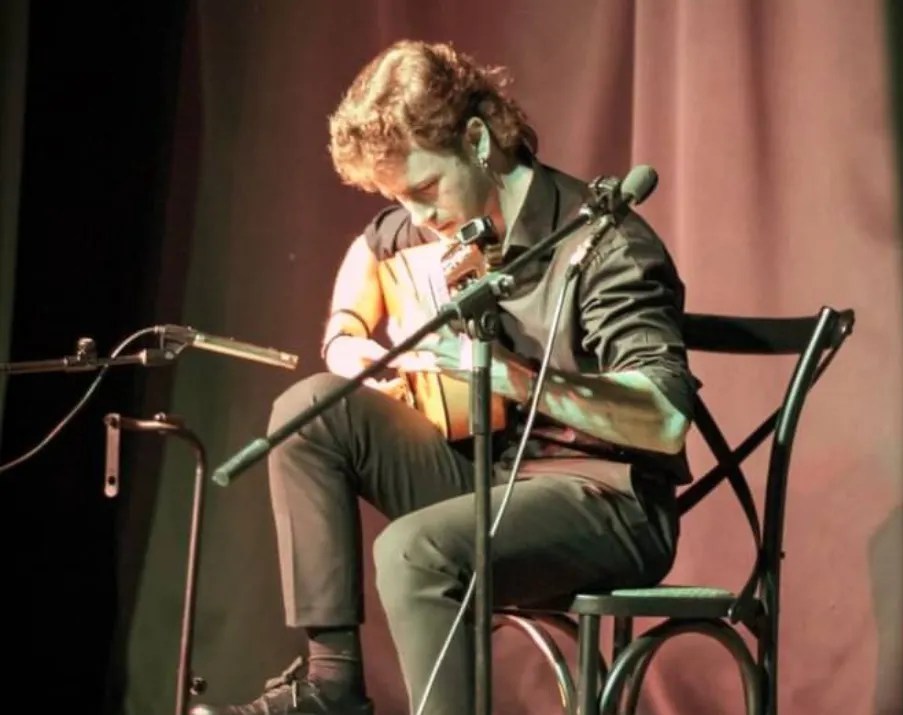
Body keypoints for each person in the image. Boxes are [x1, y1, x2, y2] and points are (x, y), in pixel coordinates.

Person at [191, 39, 698, 715]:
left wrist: (511, 379)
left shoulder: (603, 242)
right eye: (402, 198)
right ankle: (332, 684)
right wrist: (344, 339)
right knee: (309, 406)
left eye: (426, 190)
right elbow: (372, 243)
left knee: (414, 550)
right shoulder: (438, 226)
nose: (421, 218)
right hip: (488, 473)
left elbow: (664, 419)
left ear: (479, 139)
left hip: (606, 500)